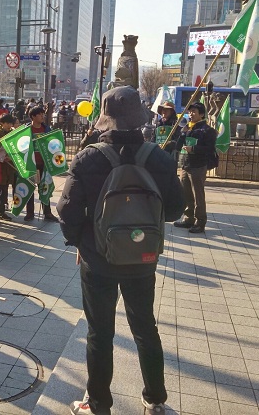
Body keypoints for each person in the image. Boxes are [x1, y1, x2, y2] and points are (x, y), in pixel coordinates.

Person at [58, 85, 184, 415]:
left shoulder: (88, 157)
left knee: (99, 333)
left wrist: (80, 242)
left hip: (97, 259)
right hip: (143, 260)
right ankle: (155, 398)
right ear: (139, 117)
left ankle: (98, 403)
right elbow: (174, 211)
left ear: (106, 118)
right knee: (145, 328)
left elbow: (67, 211)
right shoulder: (159, 157)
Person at [174, 101, 217, 234]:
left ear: (201, 114)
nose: (190, 114)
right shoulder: (187, 128)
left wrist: (194, 149)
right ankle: (189, 218)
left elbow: (209, 148)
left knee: (198, 195)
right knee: (186, 193)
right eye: (189, 111)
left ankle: (200, 222)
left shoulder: (207, 130)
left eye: (194, 112)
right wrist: (182, 133)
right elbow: (178, 145)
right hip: (185, 165)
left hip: (198, 166)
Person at [24, 106, 58, 222]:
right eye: (40, 114)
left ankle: (47, 213)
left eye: (43, 114)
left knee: (45, 187)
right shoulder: (26, 130)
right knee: (30, 188)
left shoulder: (47, 129)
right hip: (31, 164)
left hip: (44, 164)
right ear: (33, 116)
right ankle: (29, 213)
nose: (42, 116)